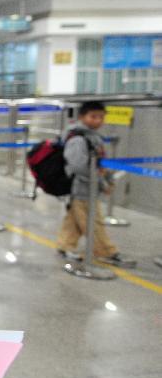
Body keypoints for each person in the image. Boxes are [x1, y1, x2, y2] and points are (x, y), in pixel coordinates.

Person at [55, 101, 135, 267]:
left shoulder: (92, 136)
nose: (97, 120)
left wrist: (106, 180)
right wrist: (100, 183)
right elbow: (79, 165)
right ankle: (105, 251)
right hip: (80, 188)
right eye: (93, 116)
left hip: (88, 187)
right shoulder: (78, 138)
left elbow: (98, 163)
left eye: (101, 117)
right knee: (93, 222)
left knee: (75, 220)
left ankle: (65, 246)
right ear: (82, 117)